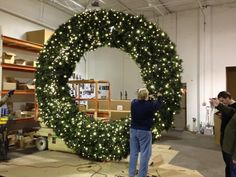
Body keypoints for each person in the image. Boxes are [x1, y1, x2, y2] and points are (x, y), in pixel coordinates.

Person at [129, 88, 163, 177]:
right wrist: (159, 97)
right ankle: (142, 175)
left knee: (133, 152)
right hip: (144, 131)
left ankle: (131, 173)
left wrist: (148, 98)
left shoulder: (133, 103)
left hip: (133, 130)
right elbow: (158, 105)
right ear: (146, 96)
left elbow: (140, 100)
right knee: (145, 154)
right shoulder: (149, 105)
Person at [210, 98, 236, 177]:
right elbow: (232, 111)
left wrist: (235, 157)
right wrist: (219, 105)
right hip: (229, 148)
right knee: (229, 168)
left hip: (233, 152)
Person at [217, 91, 236, 177]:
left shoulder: (234, 107)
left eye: (223, 100)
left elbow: (231, 112)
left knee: (230, 163)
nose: (222, 103)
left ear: (228, 98)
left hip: (231, 139)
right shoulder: (227, 107)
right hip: (224, 135)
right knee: (226, 160)